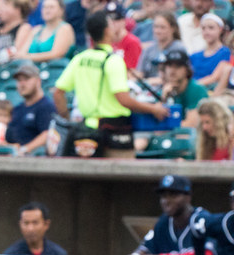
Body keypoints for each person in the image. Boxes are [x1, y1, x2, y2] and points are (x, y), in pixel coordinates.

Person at [52, 10, 170, 159]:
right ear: (107, 31)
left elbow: (58, 93)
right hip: (115, 130)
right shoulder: (113, 61)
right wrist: (153, 109)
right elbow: (123, 99)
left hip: (85, 130)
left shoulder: (80, 59)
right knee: (124, 178)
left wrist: (67, 119)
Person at [5, 60, 55, 155]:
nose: (22, 84)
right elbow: (10, 138)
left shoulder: (46, 106)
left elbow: (48, 134)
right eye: (19, 80)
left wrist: (24, 149)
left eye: (26, 79)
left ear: (38, 81)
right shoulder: (17, 109)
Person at [160, 50, 207, 128]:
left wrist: (165, 126)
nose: (172, 71)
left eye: (177, 66)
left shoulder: (196, 89)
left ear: (187, 70)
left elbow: (191, 124)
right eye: (169, 66)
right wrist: (164, 98)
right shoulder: (165, 90)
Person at [135, 12, 183, 82]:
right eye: (156, 27)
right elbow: (140, 73)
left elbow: (180, 77)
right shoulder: (149, 49)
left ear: (173, 29)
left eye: (162, 27)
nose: (158, 31)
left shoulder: (179, 48)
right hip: (148, 88)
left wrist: (152, 81)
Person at [188, 12, 228, 84]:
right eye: (203, 28)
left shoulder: (225, 52)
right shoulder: (195, 55)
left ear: (220, 29)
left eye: (211, 28)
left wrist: (192, 87)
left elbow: (215, 77)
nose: (207, 31)